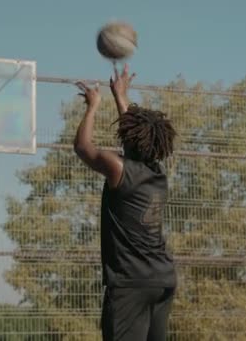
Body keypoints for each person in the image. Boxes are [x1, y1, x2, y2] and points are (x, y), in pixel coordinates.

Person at [74, 64, 177, 341]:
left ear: (130, 137)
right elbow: (133, 135)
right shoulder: (159, 174)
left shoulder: (118, 168)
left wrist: (93, 105)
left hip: (131, 283)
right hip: (162, 278)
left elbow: (83, 148)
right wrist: (121, 96)